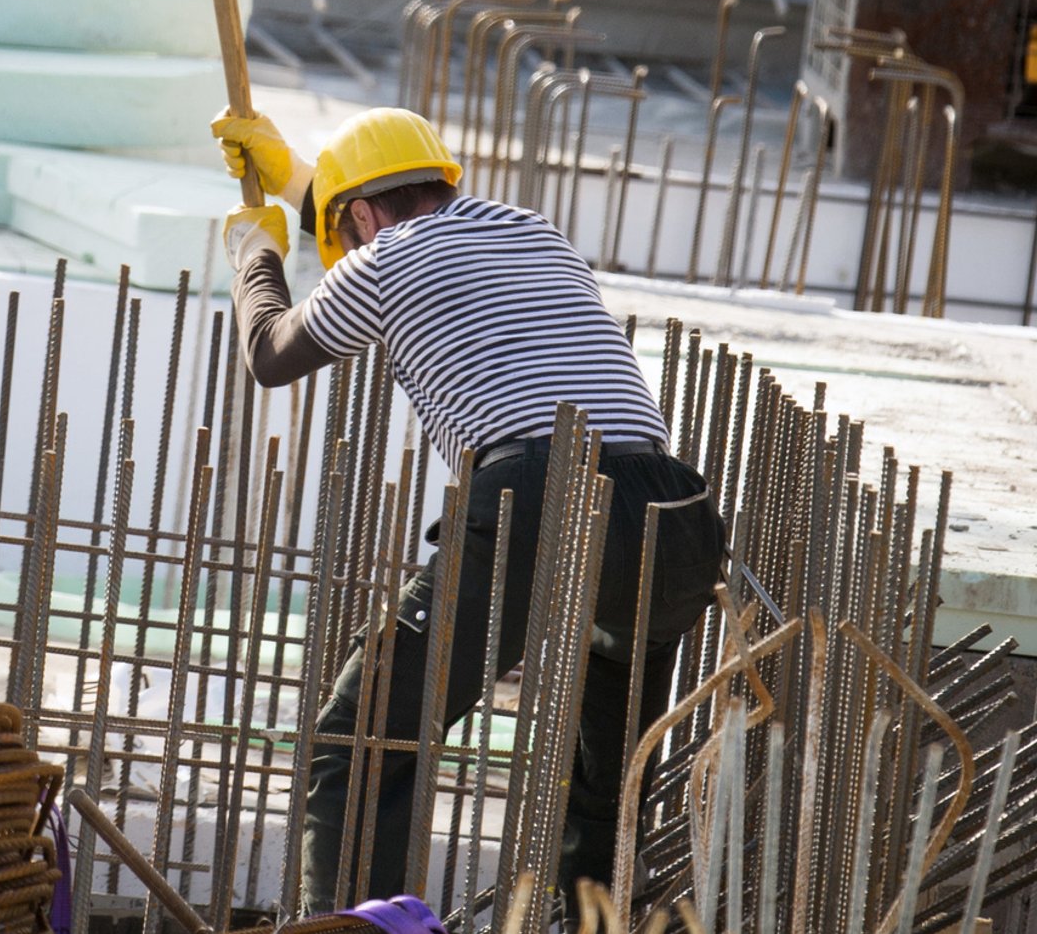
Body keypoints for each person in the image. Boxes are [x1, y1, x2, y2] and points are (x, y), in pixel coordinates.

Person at [212, 107, 725, 915]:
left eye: (341, 231)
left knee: (361, 742)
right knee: (604, 789)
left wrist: (257, 249)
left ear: (358, 221)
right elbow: (389, 209)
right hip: (673, 513)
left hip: (541, 494)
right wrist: (294, 178)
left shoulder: (378, 260)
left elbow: (271, 351)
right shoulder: (534, 230)